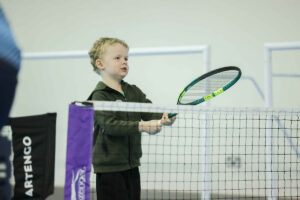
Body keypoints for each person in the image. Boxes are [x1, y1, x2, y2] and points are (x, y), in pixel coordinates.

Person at [87, 37, 176, 200]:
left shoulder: (133, 92)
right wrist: (143, 126)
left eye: (126, 58)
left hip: (132, 164)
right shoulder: (99, 95)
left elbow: (150, 112)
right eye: (117, 58)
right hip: (109, 168)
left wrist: (164, 117)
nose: (124, 62)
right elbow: (110, 125)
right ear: (100, 64)